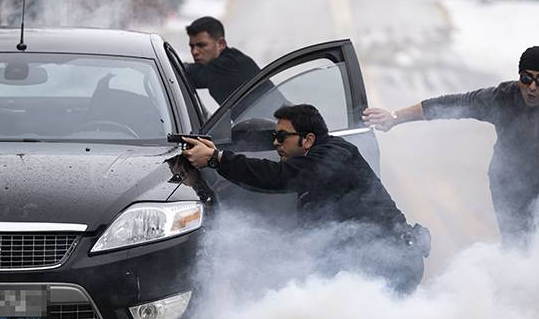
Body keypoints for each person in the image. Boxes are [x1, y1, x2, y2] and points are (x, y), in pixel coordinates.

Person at [181, 103, 429, 293]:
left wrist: (217, 158)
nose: (275, 143)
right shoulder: (318, 154)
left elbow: (278, 177)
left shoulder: (333, 156)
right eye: (274, 137)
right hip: (364, 258)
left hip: (391, 262)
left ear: (308, 139)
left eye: (281, 137)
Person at [362, 46, 539, 244]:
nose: (531, 87)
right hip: (510, 183)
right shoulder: (502, 97)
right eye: (526, 78)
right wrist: (395, 117)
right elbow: (451, 104)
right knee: (519, 247)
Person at [183, 16, 261, 104]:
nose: (194, 52)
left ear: (221, 44)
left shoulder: (228, 65)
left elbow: (186, 73)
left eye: (202, 45)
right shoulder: (233, 59)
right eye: (192, 46)